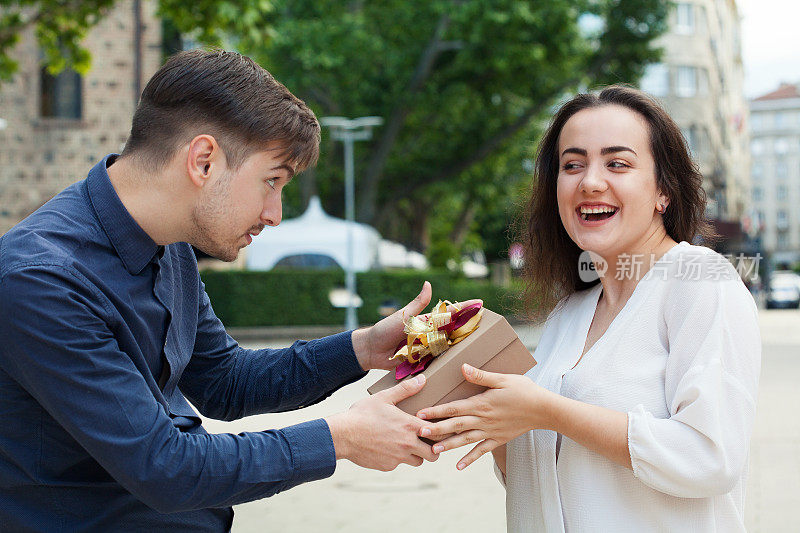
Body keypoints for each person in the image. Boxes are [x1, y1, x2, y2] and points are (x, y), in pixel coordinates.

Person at [0, 49, 441, 531]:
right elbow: (165, 468)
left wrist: (364, 348)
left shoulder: (170, 246)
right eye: (271, 181)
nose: (275, 213)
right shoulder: (42, 280)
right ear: (204, 160)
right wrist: (340, 439)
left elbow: (225, 382)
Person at [415, 86, 761, 531]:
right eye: (572, 165)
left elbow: (711, 458)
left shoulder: (700, 282)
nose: (590, 181)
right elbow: (546, 479)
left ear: (664, 191)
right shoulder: (569, 312)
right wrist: (479, 407)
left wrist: (547, 410)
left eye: (617, 163)